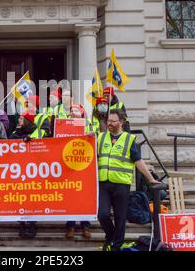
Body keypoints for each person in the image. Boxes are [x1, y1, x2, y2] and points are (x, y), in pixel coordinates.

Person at [97, 109, 160, 251]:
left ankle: (116, 245)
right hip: (104, 184)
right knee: (102, 214)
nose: (110, 124)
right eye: (108, 121)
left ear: (121, 122)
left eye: (113, 121)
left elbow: (138, 161)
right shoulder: (100, 137)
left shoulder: (129, 139)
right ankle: (111, 236)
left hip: (121, 184)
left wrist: (150, 179)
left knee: (120, 218)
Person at [64, 104, 94, 239]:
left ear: (81, 112)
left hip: (85, 166)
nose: (73, 112)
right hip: (70, 165)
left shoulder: (89, 125)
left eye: (75, 110)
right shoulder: (65, 125)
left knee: (85, 197)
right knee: (71, 197)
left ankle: (85, 226)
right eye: (71, 111)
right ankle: (70, 226)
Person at [9, 112, 40, 238]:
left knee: (33, 199)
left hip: (33, 171)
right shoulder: (16, 133)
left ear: (27, 121)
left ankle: (32, 224)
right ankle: (22, 224)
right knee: (20, 199)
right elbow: (9, 143)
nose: (19, 120)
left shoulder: (36, 132)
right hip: (19, 171)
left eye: (22, 119)